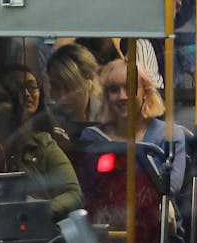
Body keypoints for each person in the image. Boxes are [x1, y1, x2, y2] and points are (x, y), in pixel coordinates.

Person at [0, 78, 83, 220]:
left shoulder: (40, 145)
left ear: (16, 110)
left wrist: (39, 212)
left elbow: (73, 194)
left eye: (0, 99)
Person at [80, 58, 186, 197]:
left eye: (130, 88)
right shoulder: (92, 138)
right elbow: (86, 188)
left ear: (146, 92)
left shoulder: (169, 135)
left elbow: (171, 188)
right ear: (105, 97)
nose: (122, 96)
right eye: (114, 90)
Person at [46, 43, 104, 140]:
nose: (62, 96)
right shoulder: (48, 121)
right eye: (55, 86)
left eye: (69, 87)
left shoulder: (110, 119)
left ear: (89, 83)